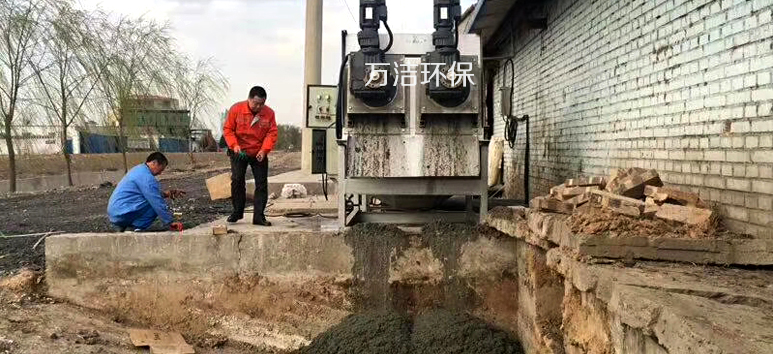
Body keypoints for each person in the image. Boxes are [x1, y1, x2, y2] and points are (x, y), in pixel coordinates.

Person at [222, 86, 278, 226]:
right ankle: (237, 212)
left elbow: (272, 133)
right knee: (237, 180)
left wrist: (264, 150)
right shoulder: (236, 109)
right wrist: (234, 145)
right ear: (249, 99)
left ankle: (259, 216)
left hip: (258, 152)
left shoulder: (269, 113)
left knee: (261, 184)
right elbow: (228, 129)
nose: (258, 107)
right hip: (239, 151)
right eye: (256, 103)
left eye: (262, 104)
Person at [107, 152, 185, 232]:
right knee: (154, 205)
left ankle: (122, 227)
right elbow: (156, 201)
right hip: (123, 213)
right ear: (154, 163)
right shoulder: (147, 178)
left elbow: (149, 194)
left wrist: (167, 194)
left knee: (152, 200)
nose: (160, 173)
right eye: (161, 169)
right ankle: (135, 228)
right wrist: (169, 222)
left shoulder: (138, 170)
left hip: (115, 213)